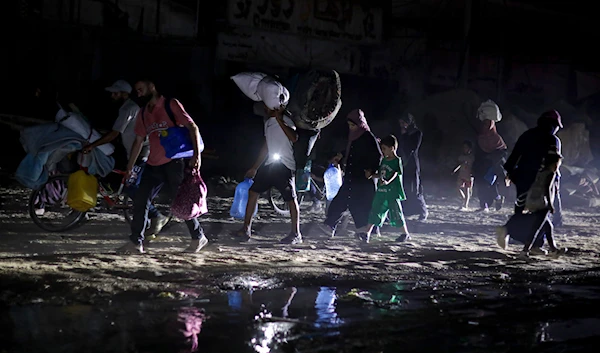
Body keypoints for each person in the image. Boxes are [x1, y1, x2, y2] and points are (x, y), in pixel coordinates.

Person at [116, 78, 208, 254]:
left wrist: (196, 156)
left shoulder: (170, 105)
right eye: (137, 91)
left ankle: (198, 237)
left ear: (152, 86)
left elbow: (192, 127)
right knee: (140, 201)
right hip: (152, 165)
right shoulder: (143, 113)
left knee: (183, 202)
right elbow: (138, 141)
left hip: (174, 163)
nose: (139, 93)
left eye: (141, 88)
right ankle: (136, 242)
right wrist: (129, 167)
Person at [82, 80, 167, 236]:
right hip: (137, 152)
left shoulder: (128, 108)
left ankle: (156, 216)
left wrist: (92, 145)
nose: (112, 96)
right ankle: (147, 219)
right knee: (130, 185)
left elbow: (115, 133)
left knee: (131, 187)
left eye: (115, 93)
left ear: (124, 94)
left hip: (141, 153)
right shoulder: (129, 108)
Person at [237, 83, 302, 244]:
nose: (265, 108)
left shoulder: (286, 119)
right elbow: (266, 146)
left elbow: (294, 137)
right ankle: (246, 229)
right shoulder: (267, 123)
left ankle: (296, 233)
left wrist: (280, 119)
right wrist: (255, 167)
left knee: (290, 199)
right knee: (253, 192)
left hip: (285, 165)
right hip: (271, 164)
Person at [320, 109, 382, 237]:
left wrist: (371, 170)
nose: (351, 128)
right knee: (344, 200)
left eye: (353, 125)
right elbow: (351, 151)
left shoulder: (367, 136)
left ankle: (365, 230)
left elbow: (377, 155)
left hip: (361, 177)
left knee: (357, 204)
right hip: (351, 176)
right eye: (349, 125)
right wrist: (341, 155)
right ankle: (331, 225)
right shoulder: (353, 136)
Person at [496, 150, 567, 258]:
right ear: (554, 164)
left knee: (548, 226)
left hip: (535, 201)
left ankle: (553, 249)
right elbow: (547, 188)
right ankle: (525, 250)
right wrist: (550, 205)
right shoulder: (551, 173)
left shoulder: (541, 171)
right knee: (536, 228)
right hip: (543, 203)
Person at [504, 110, 564, 226]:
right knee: (543, 206)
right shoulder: (553, 140)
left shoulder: (527, 135)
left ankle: (516, 229)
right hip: (542, 177)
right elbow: (554, 163)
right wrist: (555, 178)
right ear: (553, 124)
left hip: (523, 176)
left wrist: (510, 172)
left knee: (520, 204)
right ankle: (552, 224)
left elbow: (515, 155)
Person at [363, 135, 409, 243]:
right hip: (381, 191)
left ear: (392, 148)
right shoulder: (383, 160)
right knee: (375, 210)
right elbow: (380, 174)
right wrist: (371, 175)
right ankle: (366, 233)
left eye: (384, 148)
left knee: (396, 213)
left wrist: (387, 181)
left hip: (392, 192)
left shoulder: (397, 161)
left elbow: (395, 173)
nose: (382, 151)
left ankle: (405, 233)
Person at [472, 118, 508, 212]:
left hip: (492, 166)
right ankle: (484, 205)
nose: (486, 126)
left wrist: (492, 157)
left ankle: (497, 199)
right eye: (484, 124)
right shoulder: (480, 137)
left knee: (490, 186)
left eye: (488, 124)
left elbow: (503, 152)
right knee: (481, 185)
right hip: (480, 166)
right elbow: (477, 152)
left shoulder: (496, 138)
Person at [397, 114, 428, 220]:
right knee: (405, 187)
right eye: (401, 123)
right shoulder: (402, 132)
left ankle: (423, 211)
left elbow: (413, 147)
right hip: (403, 162)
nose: (402, 125)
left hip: (412, 162)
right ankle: (408, 211)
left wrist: (405, 135)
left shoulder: (417, 133)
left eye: (404, 123)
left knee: (415, 187)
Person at [453, 140, 475, 210]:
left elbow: (474, 166)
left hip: (469, 175)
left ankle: (465, 205)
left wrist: (473, 173)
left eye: (466, 147)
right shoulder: (461, 157)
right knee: (458, 187)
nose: (464, 149)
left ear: (470, 149)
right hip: (461, 174)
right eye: (464, 147)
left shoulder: (472, 157)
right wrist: (454, 169)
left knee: (467, 190)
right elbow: (458, 164)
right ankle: (463, 199)